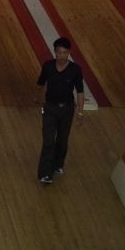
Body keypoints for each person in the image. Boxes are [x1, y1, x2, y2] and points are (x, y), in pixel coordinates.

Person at [35, 37, 84, 184]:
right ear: (55, 52)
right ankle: (45, 173)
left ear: (69, 53)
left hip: (67, 109)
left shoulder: (75, 70)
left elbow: (80, 92)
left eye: (64, 53)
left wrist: (80, 112)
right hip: (49, 108)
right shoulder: (48, 66)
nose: (62, 56)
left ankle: (58, 164)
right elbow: (40, 84)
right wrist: (39, 100)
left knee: (62, 141)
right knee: (48, 141)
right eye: (59, 52)